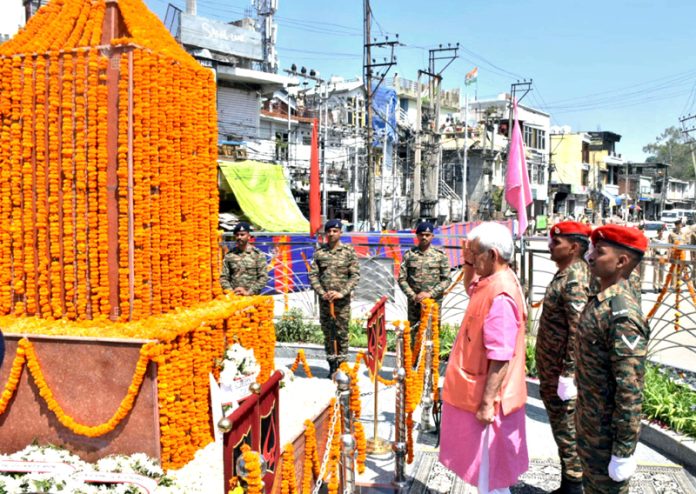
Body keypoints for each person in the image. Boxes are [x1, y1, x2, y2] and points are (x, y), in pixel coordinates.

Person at [439, 222, 528, 494]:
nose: (472, 259)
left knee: (491, 478)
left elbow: (500, 357)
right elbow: (471, 287)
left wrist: (487, 404)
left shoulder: (500, 295)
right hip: (475, 390)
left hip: (490, 398)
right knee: (485, 475)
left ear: (493, 255)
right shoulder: (491, 280)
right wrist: (468, 259)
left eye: (476, 253)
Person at [576, 224, 650, 494]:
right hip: (590, 426)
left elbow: (630, 390)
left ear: (621, 261)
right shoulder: (601, 300)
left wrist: (623, 451)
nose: (590, 256)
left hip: (607, 437)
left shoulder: (623, 315)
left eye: (600, 251)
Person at [536, 222, 592, 494]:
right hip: (553, 370)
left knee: (568, 431)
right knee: (562, 430)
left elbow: (578, 329)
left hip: (562, 373)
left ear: (574, 247)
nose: (550, 245)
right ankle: (568, 483)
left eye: (556, 242)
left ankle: (574, 486)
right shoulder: (566, 273)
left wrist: (569, 375)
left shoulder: (575, 278)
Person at [309, 219, 360, 376]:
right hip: (325, 301)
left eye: (335, 231)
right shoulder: (320, 253)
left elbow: (355, 275)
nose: (331, 234)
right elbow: (313, 275)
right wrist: (321, 292)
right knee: (328, 332)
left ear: (340, 233)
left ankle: (342, 365)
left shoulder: (348, 252)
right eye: (329, 231)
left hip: (342, 301)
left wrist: (342, 292)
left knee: (342, 332)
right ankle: (331, 364)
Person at [397, 222, 450, 343]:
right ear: (417, 236)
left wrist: (430, 294)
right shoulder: (409, 255)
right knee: (413, 335)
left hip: (433, 302)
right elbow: (401, 278)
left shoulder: (440, 256)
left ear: (432, 236)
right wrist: (413, 296)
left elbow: (446, 279)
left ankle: (430, 362)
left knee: (432, 335)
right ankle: (414, 362)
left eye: (427, 234)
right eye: (421, 234)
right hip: (414, 303)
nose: (424, 237)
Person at [220, 222, 269, 295]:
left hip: (252, 297)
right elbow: (224, 277)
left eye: (242, 234)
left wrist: (249, 292)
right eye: (237, 235)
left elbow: (263, 277)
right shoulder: (229, 256)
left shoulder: (258, 255)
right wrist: (231, 292)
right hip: (234, 298)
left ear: (249, 236)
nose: (239, 237)